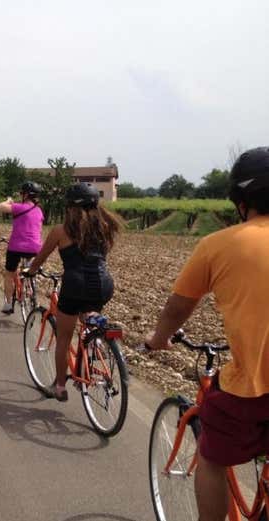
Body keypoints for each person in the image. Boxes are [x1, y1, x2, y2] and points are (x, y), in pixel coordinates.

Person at [144, 147, 269, 521]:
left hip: (253, 388)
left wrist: (158, 339)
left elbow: (178, 308)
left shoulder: (219, 244)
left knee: (212, 457)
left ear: (240, 201)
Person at [25, 183, 122, 401]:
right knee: (88, 313)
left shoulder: (61, 230)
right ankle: (95, 343)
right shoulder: (106, 227)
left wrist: (30, 271)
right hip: (103, 284)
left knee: (64, 337)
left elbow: (41, 257)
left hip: (75, 285)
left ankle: (59, 387)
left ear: (70, 207)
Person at [0, 181, 44, 314]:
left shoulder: (19, 207)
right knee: (31, 272)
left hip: (16, 247)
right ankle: (32, 292)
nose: (21, 195)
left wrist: (9, 201)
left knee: (9, 274)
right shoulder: (39, 211)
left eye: (22, 193)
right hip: (35, 248)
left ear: (26, 195)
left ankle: (8, 303)